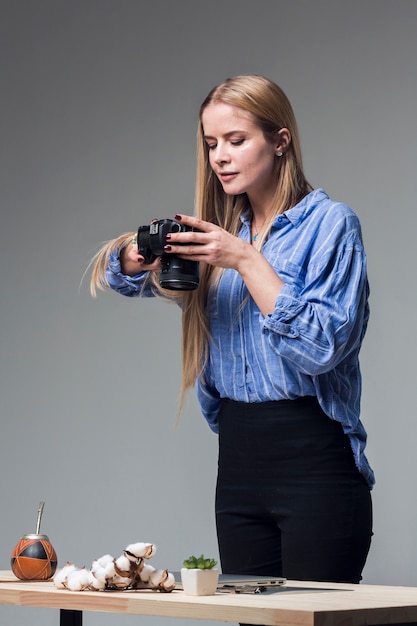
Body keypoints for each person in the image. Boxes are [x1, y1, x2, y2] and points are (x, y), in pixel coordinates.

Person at [90, 75, 374, 591]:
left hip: (315, 461)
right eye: (211, 143)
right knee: (250, 620)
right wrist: (134, 255)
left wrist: (244, 259)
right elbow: (118, 279)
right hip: (239, 463)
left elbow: (321, 347)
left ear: (280, 141)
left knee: (316, 622)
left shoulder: (330, 226)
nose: (220, 156)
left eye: (236, 140)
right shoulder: (218, 236)